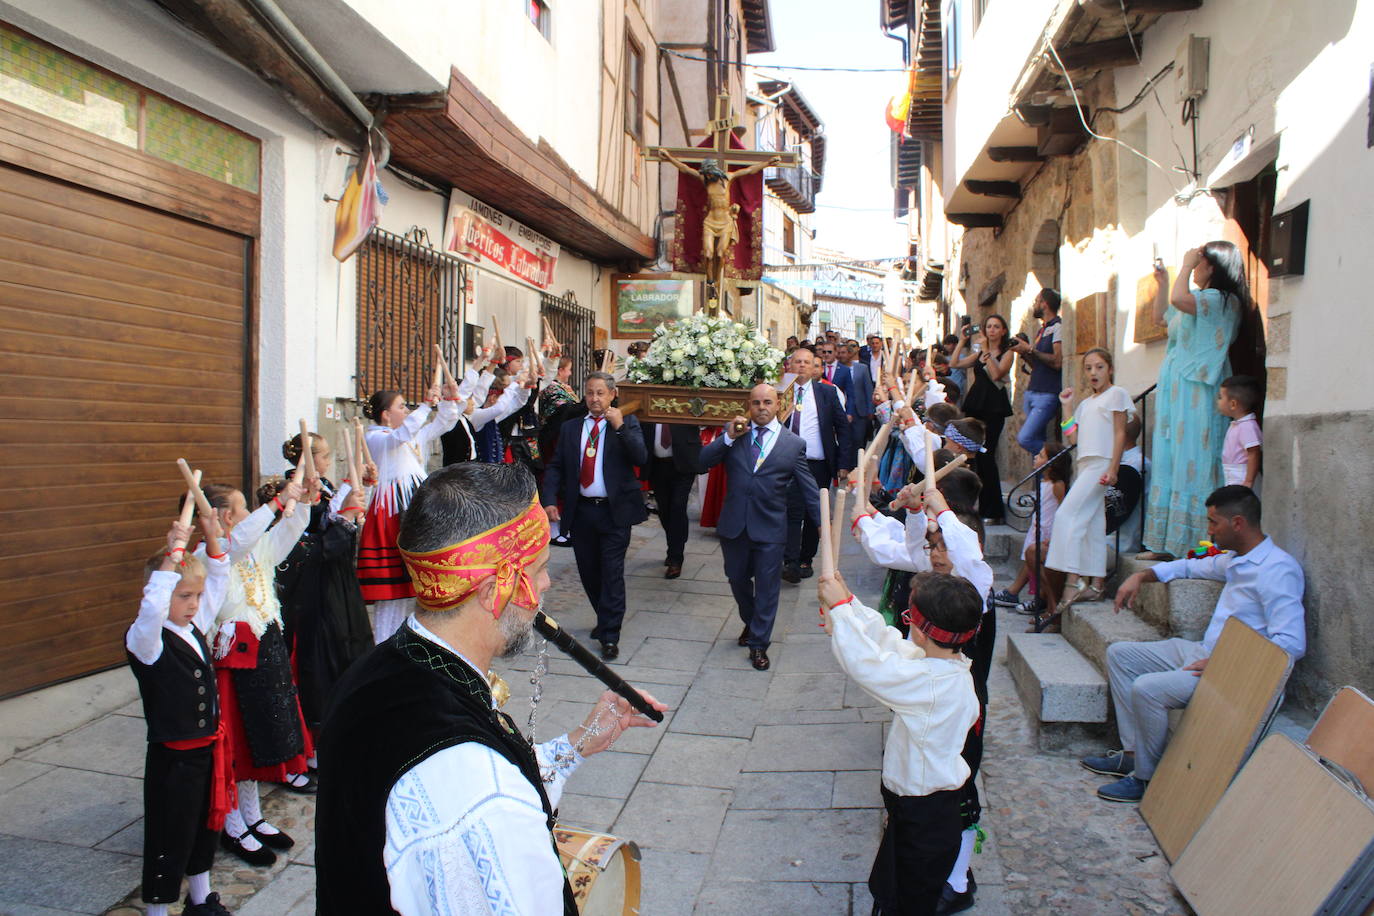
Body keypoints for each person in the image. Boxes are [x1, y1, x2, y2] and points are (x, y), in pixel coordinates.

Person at [316, 462, 666, 915]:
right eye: (538, 569)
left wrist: (575, 745)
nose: (546, 584)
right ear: (492, 590)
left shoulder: (382, 669)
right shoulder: (480, 789)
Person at [1083, 485, 1305, 802]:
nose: (1209, 530)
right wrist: (1141, 577)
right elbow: (1187, 566)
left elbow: (1291, 644)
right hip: (1204, 654)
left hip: (1234, 673)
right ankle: (1132, 755)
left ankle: (1146, 778)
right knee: (1121, 654)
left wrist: (1224, 664)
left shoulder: (1278, 570)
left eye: (1214, 523)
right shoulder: (1234, 560)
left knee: (1147, 688)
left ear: (1238, 523)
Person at [820, 567, 983, 916]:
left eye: (908, 616)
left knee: (908, 902)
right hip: (923, 808)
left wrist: (841, 615)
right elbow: (892, 645)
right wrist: (846, 604)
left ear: (922, 632)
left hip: (924, 814)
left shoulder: (932, 684)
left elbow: (870, 667)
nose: (904, 624)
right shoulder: (949, 668)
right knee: (892, 887)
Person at [202, 478, 315, 867]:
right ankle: (232, 823)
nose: (251, 514)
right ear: (223, 516)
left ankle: (253, 816)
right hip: (234, 660)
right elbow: (239, 542)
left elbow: (287, 532)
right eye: (243, 508)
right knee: (236, 743)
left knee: (259, 739)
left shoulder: (254, 549)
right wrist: (277, 502)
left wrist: (301, 504)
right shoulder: (213, 552)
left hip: (265, 650)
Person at [127, 516, 234, 916]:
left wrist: (210, 536)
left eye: (196, 596)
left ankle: (201, 899)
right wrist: (172, 556)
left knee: (205, 828)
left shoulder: (194, 628)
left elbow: (219, 579)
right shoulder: (147, 641)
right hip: (173, 760)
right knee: (169, 835)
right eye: (184, 596)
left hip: (207, 754)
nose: (194, 604)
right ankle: (157, 910)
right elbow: (154, 605)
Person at [699, 383, 820, 670]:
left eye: (767, 402)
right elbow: (701, 462)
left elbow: (809, 489)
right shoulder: (736, 434)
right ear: (748, 406)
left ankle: (759, 644)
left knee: (767, 588)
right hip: (735, 525)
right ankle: (752, 623)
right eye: (756, 403)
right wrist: (727, 437)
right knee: (737, 579)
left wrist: (822, 524)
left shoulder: (793, 444)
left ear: (778, 405)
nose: (762, 408)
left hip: (770, 528)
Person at [1141, 243, 1245, 559]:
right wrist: (1162, 281)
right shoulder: (1199, 301)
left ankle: (1201, 543)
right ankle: (1168, 544)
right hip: (1179, 393)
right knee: (1172, 458)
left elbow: (1178, 299)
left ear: (1213, 266)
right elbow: (1162, 316)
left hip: (1200, 391)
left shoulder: (1222, 300)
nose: (1195, 268)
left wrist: (1184, 266)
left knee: (1196, 459)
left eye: (1200, 263)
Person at [542, 372, 648, 660]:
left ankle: (610, 634)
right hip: (583, 512)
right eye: (590, 393)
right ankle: (604, 617)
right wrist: (549, 499)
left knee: (612, 573)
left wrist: (621, 428)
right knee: (589, 572)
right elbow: (555, 466)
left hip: (615, 512)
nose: (595, 399)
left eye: (601, 393)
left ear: (613, 394)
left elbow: (641, 457)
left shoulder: (627, 422)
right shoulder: (572, 428)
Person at [275, 433, 373, 738]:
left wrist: (358, 490)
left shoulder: (322, 486)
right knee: (318, 658)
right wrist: (345, 518)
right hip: (312, 587)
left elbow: (334, 510)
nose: (328, 461)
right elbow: (306, 541)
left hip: (335, 580)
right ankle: (314, 733)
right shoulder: (290, 492)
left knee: (345, 647)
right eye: (324, 456)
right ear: (307, 458)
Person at [358, 381, 461, 642]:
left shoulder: (407, 435)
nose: (406, 411)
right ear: (385, 414)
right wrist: (426, 405)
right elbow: (400, 435)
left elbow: (445, 423)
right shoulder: (375, 437)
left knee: (411, 587)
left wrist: (445, 401)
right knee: (390, 592)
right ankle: (383, 644)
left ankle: (403, 641)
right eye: (401, 407)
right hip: (391, 515)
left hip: (411, 512)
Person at [1040, 349, 1131, 624]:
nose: (1093, 373)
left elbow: (1119, 433)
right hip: (1085, 464)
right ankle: (1097, 584)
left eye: (1099, 367)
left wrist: (1114, 468)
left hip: (1102, 463)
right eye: (1089, 368)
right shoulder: (1086, 403)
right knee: (1093, 525)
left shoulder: (1117, 395)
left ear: (1110, 369)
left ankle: (1073, 579)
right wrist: (1067, 407)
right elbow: (1073, 439)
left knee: (1068, 516)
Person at [781, 345, 853, 582]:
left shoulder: (827, 394)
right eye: (797, 361)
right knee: (792, 510)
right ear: (789, 365)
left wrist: (844, 462)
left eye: (806, 362)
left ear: (815, 368)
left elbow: (843, 428)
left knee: (815, 512)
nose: (801, 365)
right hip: (788, 461)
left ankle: (805, 558)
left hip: (817, 463)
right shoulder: (781, 392)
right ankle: (789, 561)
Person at [992, 441, 1071, 615]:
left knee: (1035, 561)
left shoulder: (1057, 485)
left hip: (1047, 531)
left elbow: (1063, 510)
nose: (1036, 457)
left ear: (1053, 463)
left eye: (1041, 455)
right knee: (1030, 560)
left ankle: (1037, 599)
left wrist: (1056, 535)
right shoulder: (1043, 481)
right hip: (1037, 528)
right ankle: (1026, 596)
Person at [951, 316, 1015, 523]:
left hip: (994, 408)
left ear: (1003, 331)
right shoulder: (979, 353)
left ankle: (994, 511)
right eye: (989, 326)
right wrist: (962, 341)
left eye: (997, 326)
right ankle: (978, 505)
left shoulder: (1008, 353)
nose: (992, 330)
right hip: (976, 405)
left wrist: (987, 349)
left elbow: (996, 374)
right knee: (974, 456)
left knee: (987, 456)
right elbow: (954, 363)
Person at [640, 421, 703, 579]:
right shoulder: (651, 402)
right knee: (665, 509)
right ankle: (674, 542)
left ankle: (676, 557)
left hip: (683, 464)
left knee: (677, 507)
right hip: (657, 465)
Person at [1009, 289, 1064, 456]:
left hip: (1047, 393)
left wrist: (1030, 348)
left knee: (1025, 438)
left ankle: (1055, 459)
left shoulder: (1057, 327)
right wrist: (1025, 352)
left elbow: (1057, 361)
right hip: (1033, 391)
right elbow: (1038, 364)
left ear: (1044, 304)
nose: (1034, 305)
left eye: (1036, 301)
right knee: (1035, 439)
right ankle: (1045, 480)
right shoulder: (1042, 330)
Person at [1217, 375, 1263, 490]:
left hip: (1242, 475)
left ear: (1233, 404)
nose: (1218, 401)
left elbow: (1254, 453)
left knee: (1240, 505)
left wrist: (1248, 481)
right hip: (1233, 474)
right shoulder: (1238, 424)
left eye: (1220, 397)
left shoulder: (1247, 426)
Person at [842, 340, 876, 442]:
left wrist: (870, 410)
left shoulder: (862, 368)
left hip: (860, 411)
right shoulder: (838, 369)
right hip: (843, 408)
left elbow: (868, 389)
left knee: (859, 441)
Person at [816, 339, 857, 418]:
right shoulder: (818, 368)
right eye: (824, 352)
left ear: (835, 352)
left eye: (829, 352)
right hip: (821, 410)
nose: (826, 354)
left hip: (839, 410)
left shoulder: (844, 370)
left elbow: (850, 394)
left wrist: (849, 413)